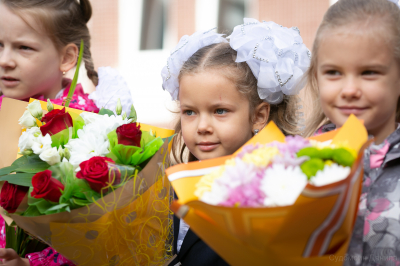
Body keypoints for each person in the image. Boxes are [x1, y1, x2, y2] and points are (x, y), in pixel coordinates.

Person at [161, 19, 310, 265]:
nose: (202, 127)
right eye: (190, 112)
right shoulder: (173, 187)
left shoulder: (276, 195)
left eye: (220, 111)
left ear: (258, 116)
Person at [0, 0, 132, 265]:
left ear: (67, 57)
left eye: (24, 48)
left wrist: (32, 263)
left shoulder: (87, 129)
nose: (5, 60)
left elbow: (91, 230)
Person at [304, 0, 400, 265]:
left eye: (368, 73)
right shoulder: (297, 163)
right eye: (333, 72)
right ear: (316, 76)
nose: (349, 90)